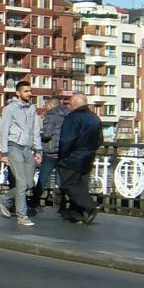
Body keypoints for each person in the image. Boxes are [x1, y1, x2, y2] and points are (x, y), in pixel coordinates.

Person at [0, 80, 41, 226]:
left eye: (30, 91)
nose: (30, 93)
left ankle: (4, 199)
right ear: (18, 93)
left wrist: (38, 149)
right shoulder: (9, 109)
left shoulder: (32, 108)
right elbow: (4, 130)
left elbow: (35, 129)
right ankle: (22, 216)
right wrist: (4, 152)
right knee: (21, 182)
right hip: (14, 146)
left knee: (29, 183)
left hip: (28, 149)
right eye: (26, 91)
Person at [57, 93, 103, 225]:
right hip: (88, 156)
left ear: (76, 103)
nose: (69, 106)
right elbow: (100, 139)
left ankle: (90, 206)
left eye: (70, 103)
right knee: (81, 186)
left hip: (73, 157)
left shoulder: (73, 117)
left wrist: (63, 155)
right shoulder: (94, 118)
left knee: (68, 184)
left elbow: (67, 140)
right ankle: (77, 215)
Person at [31, 95, 71, 214]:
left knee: (42, 179)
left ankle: (35, 202)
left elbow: (47, 134)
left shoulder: (51, 114)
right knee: (61, 180)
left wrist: (39, 137)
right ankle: (60, 205)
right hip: (64, 152)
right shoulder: (69, 113)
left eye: (46, 106)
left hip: (51, 152)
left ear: (50, 105)